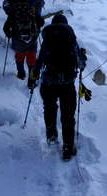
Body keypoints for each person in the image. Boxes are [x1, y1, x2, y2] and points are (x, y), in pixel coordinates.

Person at [30, 14, 87, 161]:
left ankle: (51, 135)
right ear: (66, 24)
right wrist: (83, 58)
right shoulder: (71, 39)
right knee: (67, 115)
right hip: (67, 84)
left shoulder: (47, 39)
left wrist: (34, 75)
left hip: (49, 82)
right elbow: (81, 64)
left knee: (49, 107)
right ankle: (68, 147)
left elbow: (40, 61)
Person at [3, 0, 44, 85]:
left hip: (18, 39)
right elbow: (41, 22)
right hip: (32, 39)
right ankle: (31, 80)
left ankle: (21, 74)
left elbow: (6, 28)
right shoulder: (31, 9)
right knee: (31, 59)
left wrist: (10, 34)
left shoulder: (14, 11)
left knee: (19, 57)